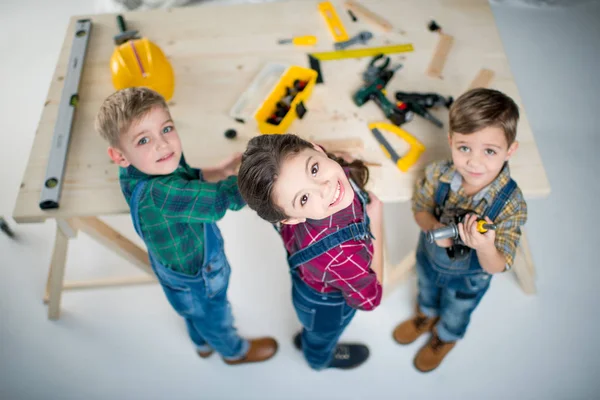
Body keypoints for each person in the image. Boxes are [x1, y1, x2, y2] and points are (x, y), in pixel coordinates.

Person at [95, 87, 278, 365]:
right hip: (198, 275)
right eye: (144, 139)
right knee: (216, 314)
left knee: (196, 314)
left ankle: (201, 343)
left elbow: (183, 179)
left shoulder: (143, 166)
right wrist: (266, 178)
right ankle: (233, 352)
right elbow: (220, 199)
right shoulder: (159, 194)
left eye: (166, 129)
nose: (163, 145)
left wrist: (216, 171)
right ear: (119, 155)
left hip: (174, 268)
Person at [392, 88, 528, 372]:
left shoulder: (511, 205)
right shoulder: (436, 174)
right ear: (451, 141)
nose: (474, 162)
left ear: (510, 150)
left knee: (457, 312)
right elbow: (420, 209)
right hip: (429, 261)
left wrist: (485, 246)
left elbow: (497, 266)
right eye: (464, 148)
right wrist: (435, 227)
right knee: (426, 292)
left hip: (469, 280)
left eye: (490, 151)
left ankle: (445, 336)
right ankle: (425, 316)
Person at [238, 133, 384, 370]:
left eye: (314, 169)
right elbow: (370, 299)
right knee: (322, 339)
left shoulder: (311, 195)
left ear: (317, 147)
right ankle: (317, 359)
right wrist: (376, 219)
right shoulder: (344, 255)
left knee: (314, 332)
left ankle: (310, 338)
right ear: (291, 219)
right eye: (304, 198)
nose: (325, 188)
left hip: (309, 284)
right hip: (326, 306)